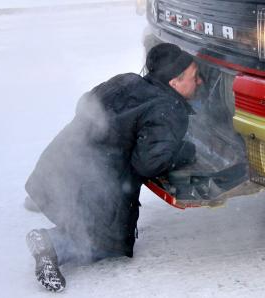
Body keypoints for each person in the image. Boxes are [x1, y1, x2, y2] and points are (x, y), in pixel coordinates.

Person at [25, 43, 203, 292]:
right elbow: (148, 163)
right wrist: (185, 151)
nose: (200, 82)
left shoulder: (127, 80)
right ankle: (53, 243)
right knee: (109, 244)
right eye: (195, 77)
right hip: (91, 186)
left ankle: (46, 203)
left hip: (53, 170)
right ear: (174, 82)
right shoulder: (168, 109)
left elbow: (85, 104)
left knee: (75, 193)